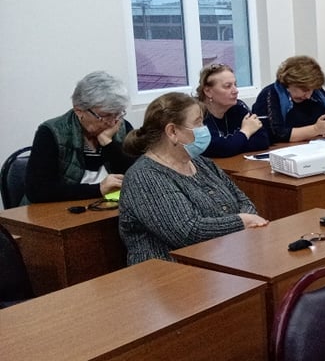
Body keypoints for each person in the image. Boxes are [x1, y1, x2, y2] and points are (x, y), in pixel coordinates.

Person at [119, 92, 268, 264]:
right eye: (198, 123)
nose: (204, 129)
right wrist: (242, 221)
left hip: (223, 259)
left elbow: (244, 201)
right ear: (172, 131)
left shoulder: (202, 163)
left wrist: (248, 219)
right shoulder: (144, 177)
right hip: (168, 272)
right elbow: (187, 232)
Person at [24, 71, 136, 203]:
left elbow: (137, 176)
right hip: (62, 211)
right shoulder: (51, 133)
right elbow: (38, 191)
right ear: (79, 111)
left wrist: (108, 143)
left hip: (110, 207)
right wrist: (98, 189)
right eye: (105, 116)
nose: (112, 122)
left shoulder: (122, 126)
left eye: (117, 113)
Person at [252, 56, 325, 143]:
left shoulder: (316, 92)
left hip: (316, 145)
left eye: (312, 90)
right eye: (304, 90)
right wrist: (316, 129)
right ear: (289, 83)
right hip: (281, 149)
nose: (308, 96)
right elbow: (277, 134)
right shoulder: (270, 94)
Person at [196, 62, 270, 157]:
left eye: (235, 84)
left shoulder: (238, 107)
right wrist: (246, 132)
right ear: (208, 91)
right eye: (228, 86)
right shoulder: (197, 115)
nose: (235, 91)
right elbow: (216, 148)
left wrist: (233, 145)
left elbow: (263, 140)